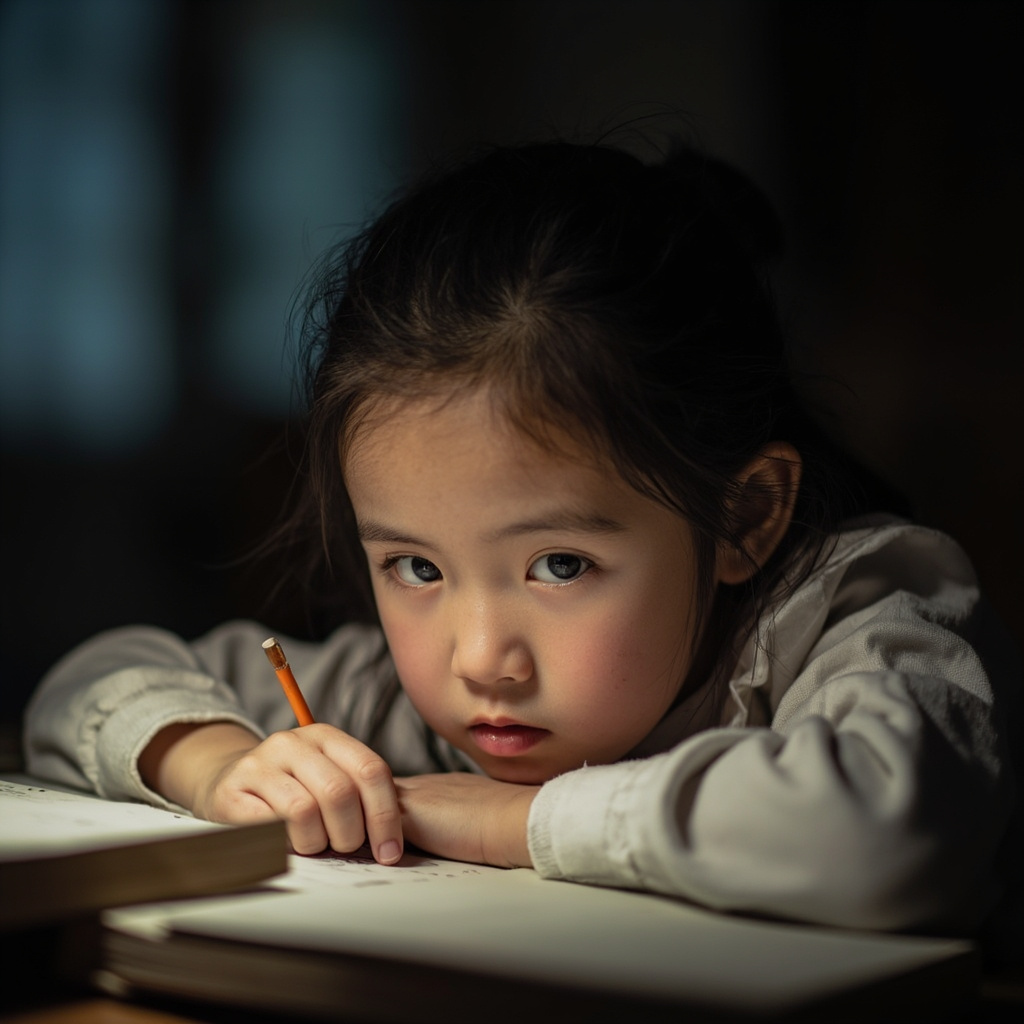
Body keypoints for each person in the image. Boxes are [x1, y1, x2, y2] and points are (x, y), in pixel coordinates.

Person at [24, 139, 1021, 953]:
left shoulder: (846, 622)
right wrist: (214, 761)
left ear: (742, 517)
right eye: (415, 567)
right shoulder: (387, 700)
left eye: (558, 565)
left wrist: (503, 822)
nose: (477, 656)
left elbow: (889, 834)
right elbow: (83, 687)